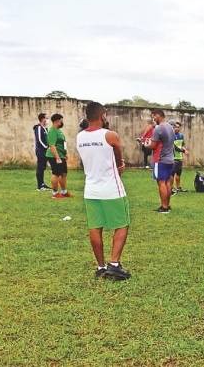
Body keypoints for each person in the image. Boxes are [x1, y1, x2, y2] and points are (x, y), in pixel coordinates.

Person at [76, 102, 131, 280]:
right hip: (111, 189)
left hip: (91, 190)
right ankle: (114, 264)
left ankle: (100, 266)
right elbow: (118, 155)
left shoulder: (80, 137)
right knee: (122, 224)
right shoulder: (110, 135)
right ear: (103, 115)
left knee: (95, 227)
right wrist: (120, 165)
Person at [145, 109, 175, 213]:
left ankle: (164, 207)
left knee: (161, 182)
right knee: (167, 182)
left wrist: (145, 144)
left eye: (154, 116)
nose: (153, 119)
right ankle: (167, 205)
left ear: (158, 115)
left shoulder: (158, 128)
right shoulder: (170, 127)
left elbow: (152, 145)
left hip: (160, 160)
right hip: (170, 159)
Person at [46, 113, 70, 198]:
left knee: (63, 173)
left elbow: (63, 143)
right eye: (61, 120)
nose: (62, 122)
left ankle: (64, 191)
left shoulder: (59, 131)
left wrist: (65, 154)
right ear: (57, 121)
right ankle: (55, 193)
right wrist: (57, 157)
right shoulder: (52, 131)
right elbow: (52, 145)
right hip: (54, 156)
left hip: (61, 155)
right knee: (56, 173)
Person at [33, 113, 50, 191]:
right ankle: (39, 186)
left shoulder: (45, 128)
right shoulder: (39, 127)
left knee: (43, 167)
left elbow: (47, 139)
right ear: (42, 119)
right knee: (40, 167)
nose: (47, 120)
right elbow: (39, 139)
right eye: (46, 118)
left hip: (45, 151)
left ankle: (42, 184)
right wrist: (46, 147)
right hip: (40, 151)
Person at [171, 121, 188, 195]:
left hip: (180, 158)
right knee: (172, 174)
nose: (177, 128)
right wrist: (183, 151)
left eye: (178, 127)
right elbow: (175, 148)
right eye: (175, 127)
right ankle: (171, 188)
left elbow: (182, 145)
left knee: (178, 174)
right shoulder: (171, 136)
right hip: (173, 158)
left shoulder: (181, 136)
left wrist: (185, 150)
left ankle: (178, 188)